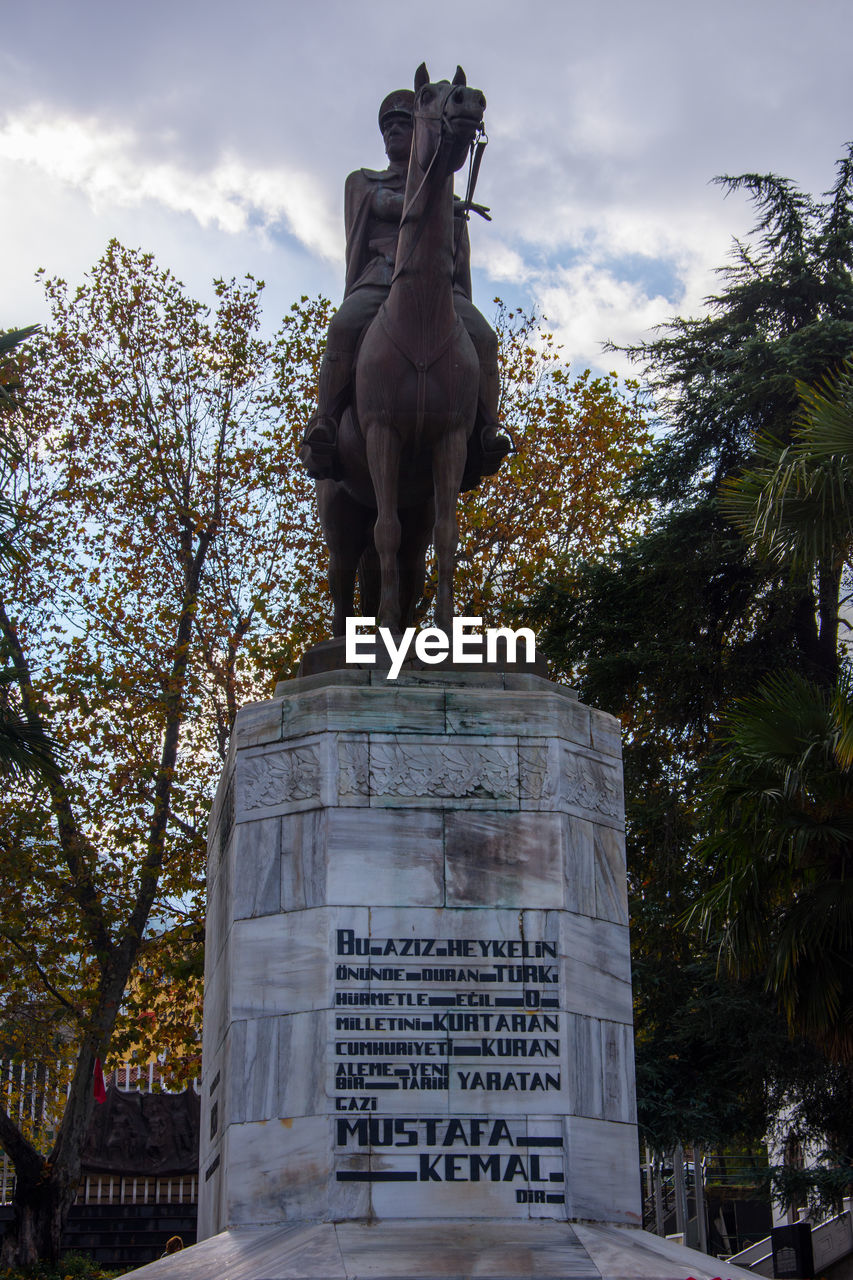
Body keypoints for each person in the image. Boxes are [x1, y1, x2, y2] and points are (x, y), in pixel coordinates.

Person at [300, 88, 510, 484]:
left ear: (421, 131)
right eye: (387, 126)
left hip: (438, 288)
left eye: (402, 124)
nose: (393, 132)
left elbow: (458, 250)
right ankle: (324, 423)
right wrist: (438, 203)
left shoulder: (444, 191)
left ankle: (486, 430)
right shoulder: (363, 181)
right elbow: (381, 204)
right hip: (380, 278)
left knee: (484, 337)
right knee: (342, 326)